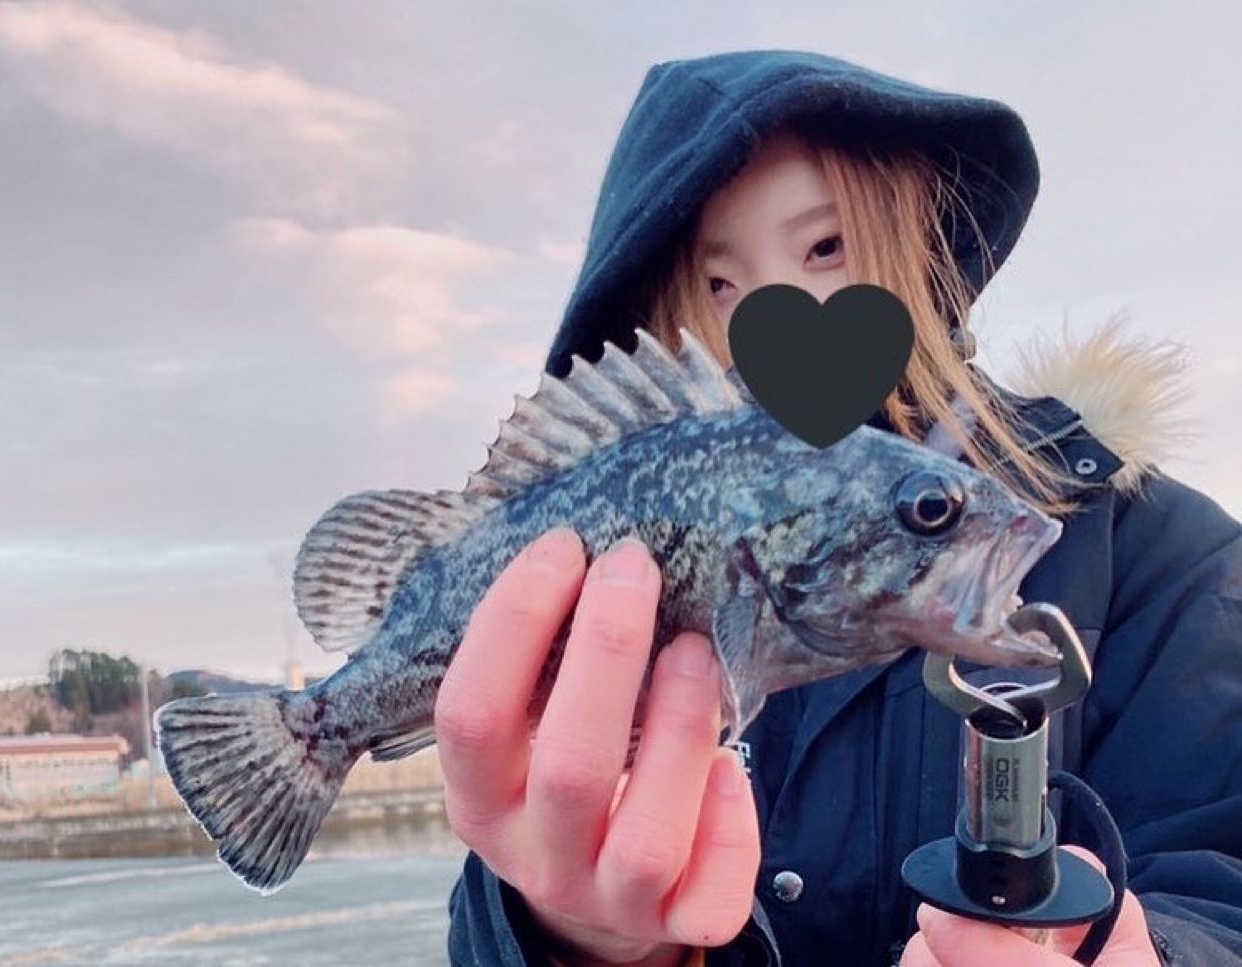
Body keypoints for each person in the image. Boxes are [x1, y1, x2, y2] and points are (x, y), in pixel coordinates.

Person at [442, 50, 1242, 966]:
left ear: (921, 248)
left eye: (826, 246)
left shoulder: (1161, 548)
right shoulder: (615, 557)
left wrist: (1160, 952)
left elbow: (1223, 871)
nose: (778, 308)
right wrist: (576, 935)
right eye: (716, 283)